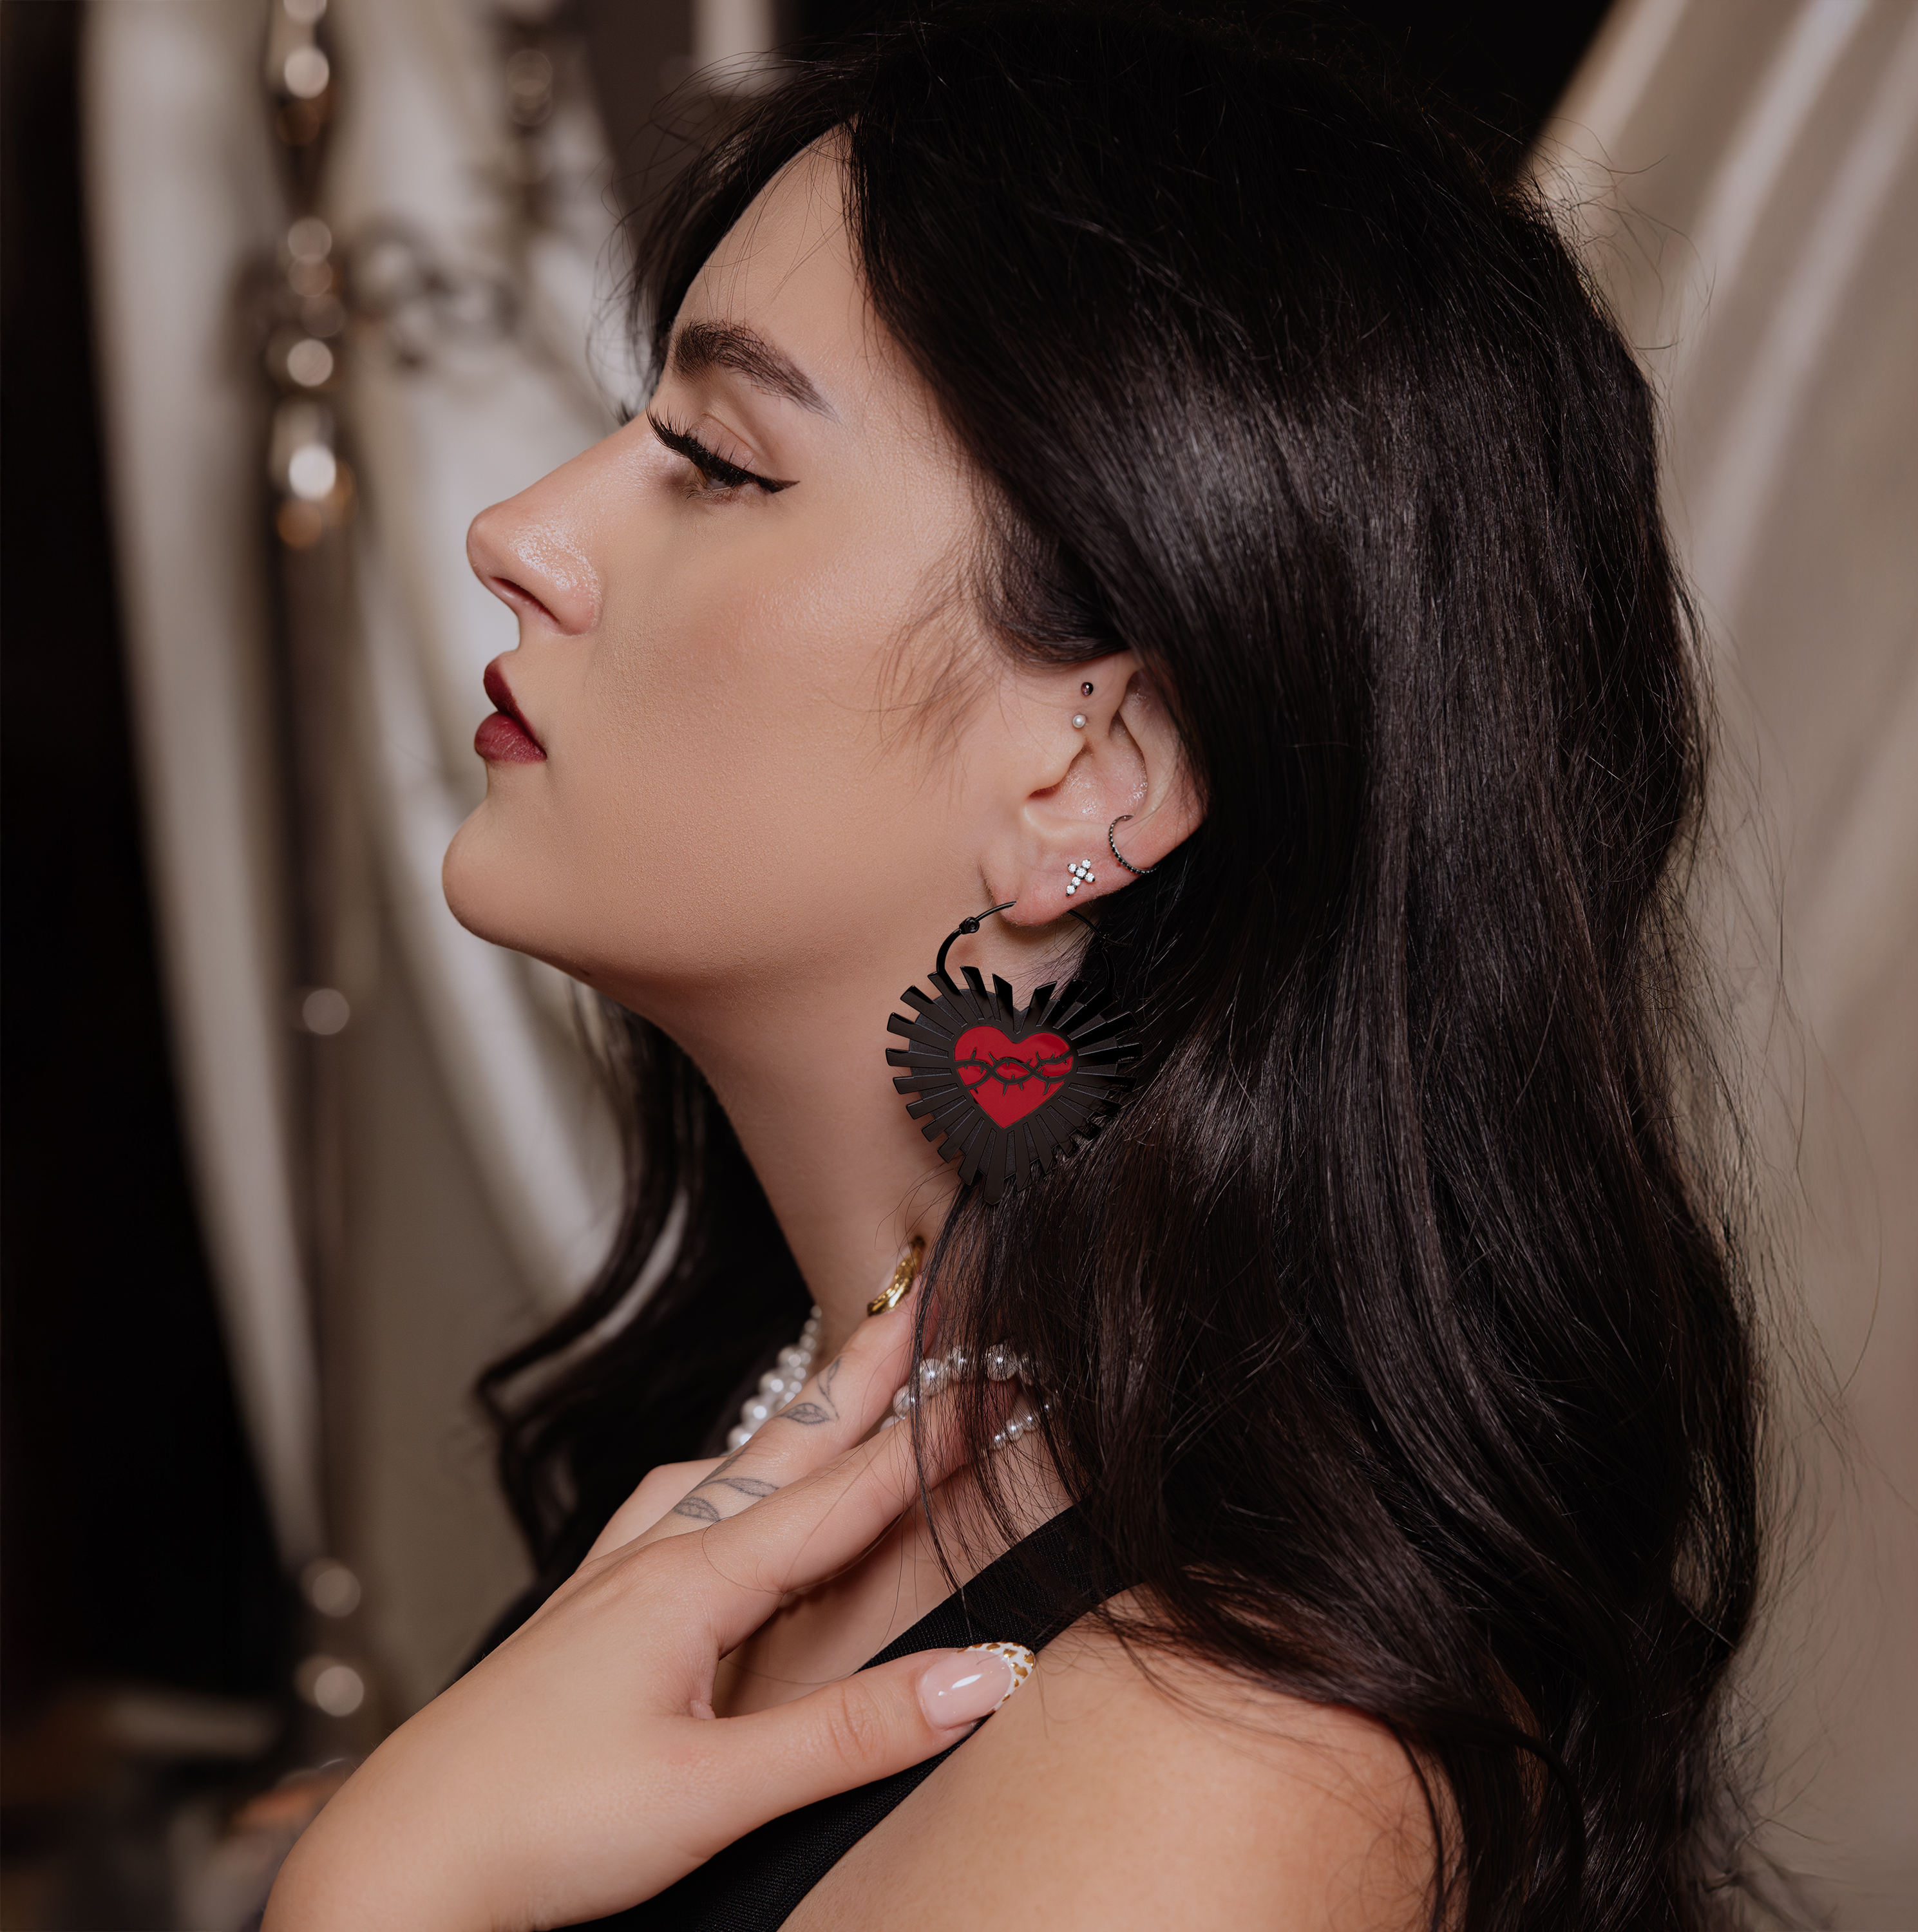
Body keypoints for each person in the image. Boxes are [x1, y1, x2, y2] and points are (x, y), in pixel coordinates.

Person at [265, 5, 1765, 1927]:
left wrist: (372, 1892)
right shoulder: (789, 1418)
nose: (517, 533)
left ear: (1094, 767)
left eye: (716, 460)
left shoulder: (1216, 1782)